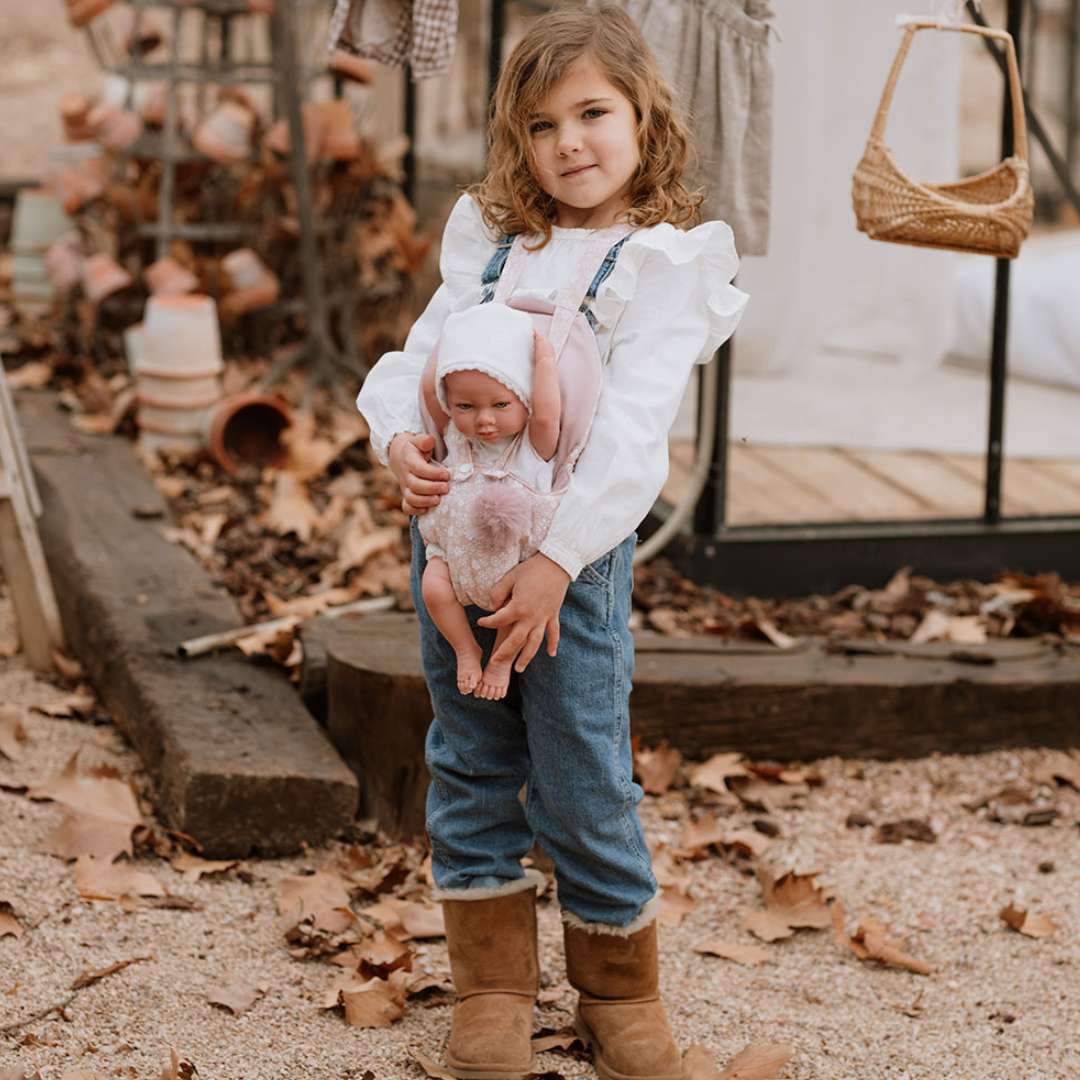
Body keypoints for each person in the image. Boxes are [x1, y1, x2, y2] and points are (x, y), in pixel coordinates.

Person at [356, 6, 748, 1079]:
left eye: (592, 114)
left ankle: (619, 990)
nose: (569, 142)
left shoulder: (660, 266)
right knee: (470, 753)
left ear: (642, 118)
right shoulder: (493, 244)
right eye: (542, 125)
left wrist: (553, 561)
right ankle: (490, 987)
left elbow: (628, 435)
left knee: (578, 766)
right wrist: (398, 434)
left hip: (570, 561)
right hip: (454, 545)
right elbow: (419, 354)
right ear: (516, 142)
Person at [418, 302, 562, 701]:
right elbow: (431, 395)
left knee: (510, 610)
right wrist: (443, 347)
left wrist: (545, 363)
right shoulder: (456, 438)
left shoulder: (531, 449)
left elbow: (549, 416)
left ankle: (499, 662)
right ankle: (466, 649)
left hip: (509, 569)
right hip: (451, 557)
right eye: (466, 406)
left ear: (524, 400)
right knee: (432, 588)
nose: (484, 420)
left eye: (501, 405)